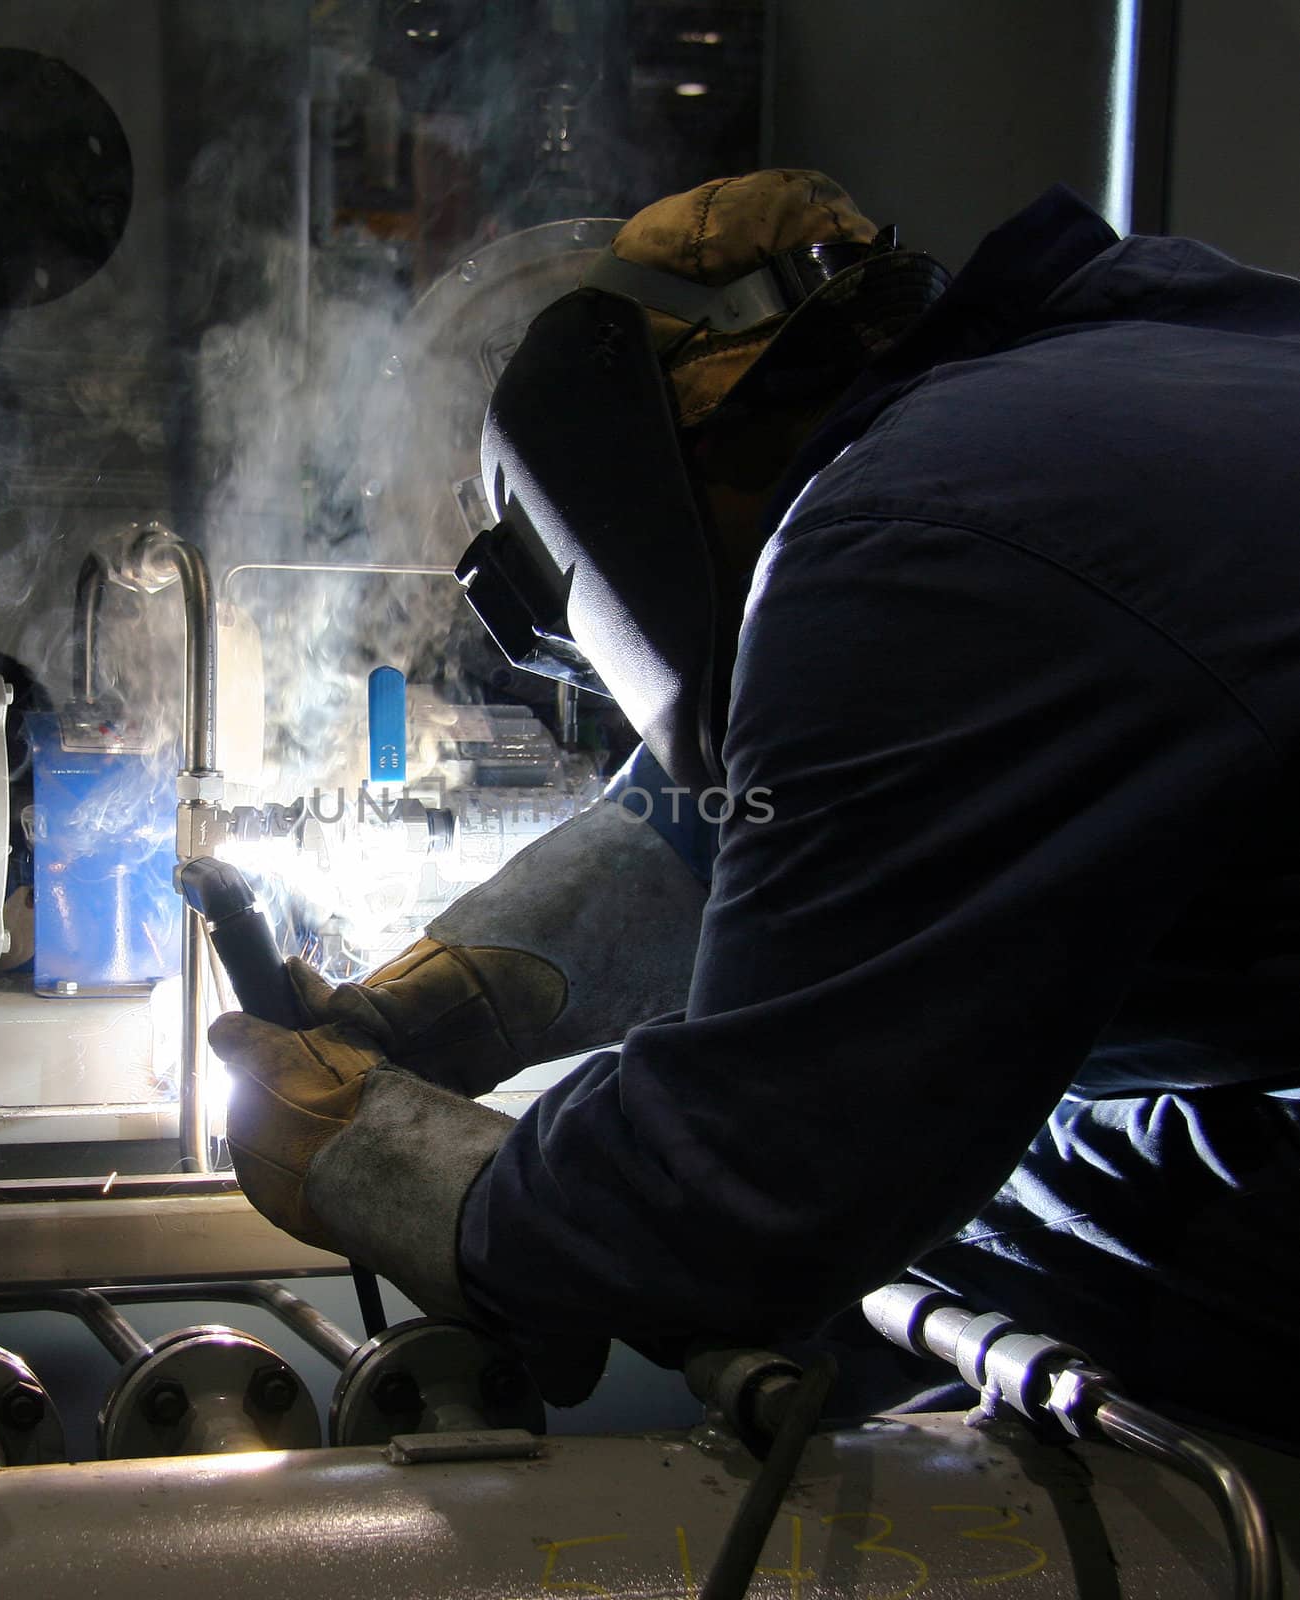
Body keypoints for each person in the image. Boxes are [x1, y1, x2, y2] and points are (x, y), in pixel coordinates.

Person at [210, 169, 1300, 1441]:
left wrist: (380, 1163)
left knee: (939, 1188)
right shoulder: (1127, 363)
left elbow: (748, 1184)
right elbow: (746, 815)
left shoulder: (906, 535)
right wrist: (466, 993)